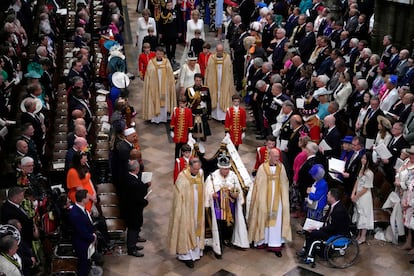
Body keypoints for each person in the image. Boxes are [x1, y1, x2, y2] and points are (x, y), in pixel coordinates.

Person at [248, 148, 292, 257]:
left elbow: (285, 182)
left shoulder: (281, 167)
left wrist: (284, 198)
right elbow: (258, 184)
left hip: (278, 199)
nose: (278, 158)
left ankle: (275, 243)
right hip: (264, 199)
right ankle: (263, 240)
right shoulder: (262, 168)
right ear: (270, 156)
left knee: (276, 221)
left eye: (278, 156)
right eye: (275, 156)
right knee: (263, 217)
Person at [204, 154, 249, 258]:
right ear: (220, 167)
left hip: (230, 206)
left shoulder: (233, 176)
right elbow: (208, 191)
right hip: (218, 207)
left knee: (228, 224)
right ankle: (218, 244)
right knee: (218, 225)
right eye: (224, 169)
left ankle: (227, 239)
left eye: (227, 169)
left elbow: (237, 189)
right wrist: (212, 195)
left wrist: (236, 193)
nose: (226, 171)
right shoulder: (212, 177)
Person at [168, 157, 205, 268]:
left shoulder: (201, 173)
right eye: (194, 170)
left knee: (196, 228)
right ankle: (186, 256)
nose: (196, 172)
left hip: (198, 208)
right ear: (189, 167)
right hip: (186, 209)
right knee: (186, 229)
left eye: (198, 169)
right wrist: (181, 209)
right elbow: (178, 197)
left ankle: (196, 252)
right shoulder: (182, 177)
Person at [297, 188, 351, 263]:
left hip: (337, 234)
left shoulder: (339, 210)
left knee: (313, 233)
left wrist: (318, 228)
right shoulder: (333, 205)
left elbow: (333, 228)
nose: (326, 196)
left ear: (332, 198)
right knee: (309, 230)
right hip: (330, 228)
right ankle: (306, 250)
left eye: (328, 195)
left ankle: (309, 256)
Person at [143, 47, 176, 123]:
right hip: (154, 86)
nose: (159, 55)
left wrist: (170, 83)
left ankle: (164, 118)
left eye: (161, 54)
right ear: (155, 54)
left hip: (165, 86)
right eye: (158, 54)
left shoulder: (167, 62)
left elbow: (170, 74)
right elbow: (148, 75)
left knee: (164, 100)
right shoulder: (151, 62)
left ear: (163, 54)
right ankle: (155, 119)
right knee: (155, 100)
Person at [125, 160, 150, 257]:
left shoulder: (129, 177)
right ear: (136, 169)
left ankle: (134, 244)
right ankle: (131, 249)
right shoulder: (133, 182)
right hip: (133, 209)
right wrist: (145, 202)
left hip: (132, 207)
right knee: (133, 227)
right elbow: (137, 197)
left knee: (136, 226)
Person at [69, 190, 96, 276]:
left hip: (86, 241)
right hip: (82, 244)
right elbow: (82, 232)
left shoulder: (80, 209)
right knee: (83, 266)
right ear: (84, 199)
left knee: (86, 264)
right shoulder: (76, 214)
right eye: (88, 197)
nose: (89, 198)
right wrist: (93, 238)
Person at [205, 44, 234, 121]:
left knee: (224, 96)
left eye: (221, 51)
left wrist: (229, 82)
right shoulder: (211, 58)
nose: (220, 52)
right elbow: (208, 70)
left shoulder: (227, 58)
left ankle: (224, 117)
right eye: (218, 51)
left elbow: (230, 71)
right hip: (214, 82)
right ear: (216, 50)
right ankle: (215, 116)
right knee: (215, 96)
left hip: (224, 82)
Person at [351, 152, 374, 245]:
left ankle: (363, 236)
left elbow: (366, 188)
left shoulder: (369, 173)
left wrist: (356, 196)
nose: (362, 160)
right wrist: (353, 193)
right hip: (358, 194)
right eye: (362, 158)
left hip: (364, 196)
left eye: (365, 158)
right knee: (359, 214)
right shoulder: (361, 169)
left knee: (364, 214)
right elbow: (357, 180)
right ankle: (359, 234)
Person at [185, 73, 211, 144]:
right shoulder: (189, 90)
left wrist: (209, 112)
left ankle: (203, 134)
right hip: (194, 110)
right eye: (197, 80)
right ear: (194, 80)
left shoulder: (205, 89)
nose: (198, 82)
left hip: (202, 110)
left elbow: (208, 101)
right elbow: (186, 101)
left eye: (200, 80)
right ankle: (193, 135)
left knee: (204, 123)